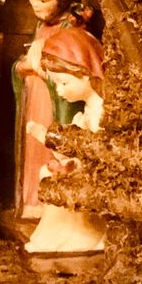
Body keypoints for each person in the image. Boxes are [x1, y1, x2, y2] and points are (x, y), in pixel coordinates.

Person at [12, 0, 92, 217]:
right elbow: (27, 62)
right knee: (33, 148)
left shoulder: (72, 27)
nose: (36, 5)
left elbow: (71, 68)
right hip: (35, 97)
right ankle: (31, 203)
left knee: (51, 148)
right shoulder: (42, 25)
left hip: (55, 100)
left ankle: (51, 210)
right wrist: (22, 68)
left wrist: (43, 62)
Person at [24, 26, 108, 254]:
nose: (59, 91)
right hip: (86, 168)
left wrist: (50, 139)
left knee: (59, 180)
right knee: (48, 173)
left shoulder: (102, 112)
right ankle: (54, 236)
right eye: (56, 84)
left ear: (86, 74)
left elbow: (97, 152)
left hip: (101, 177)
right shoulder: (89, 108)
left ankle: (83, 235)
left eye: (64, 83)